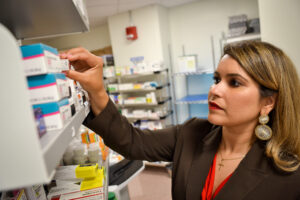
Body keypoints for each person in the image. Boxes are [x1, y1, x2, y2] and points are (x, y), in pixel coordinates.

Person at [60, 41, 300, 200]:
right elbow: (132, 142)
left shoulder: (288, 173)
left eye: (234, 82)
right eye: (217, 79)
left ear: (268, 102)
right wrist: (98, 91)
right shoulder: (192, 133)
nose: (215, 90)